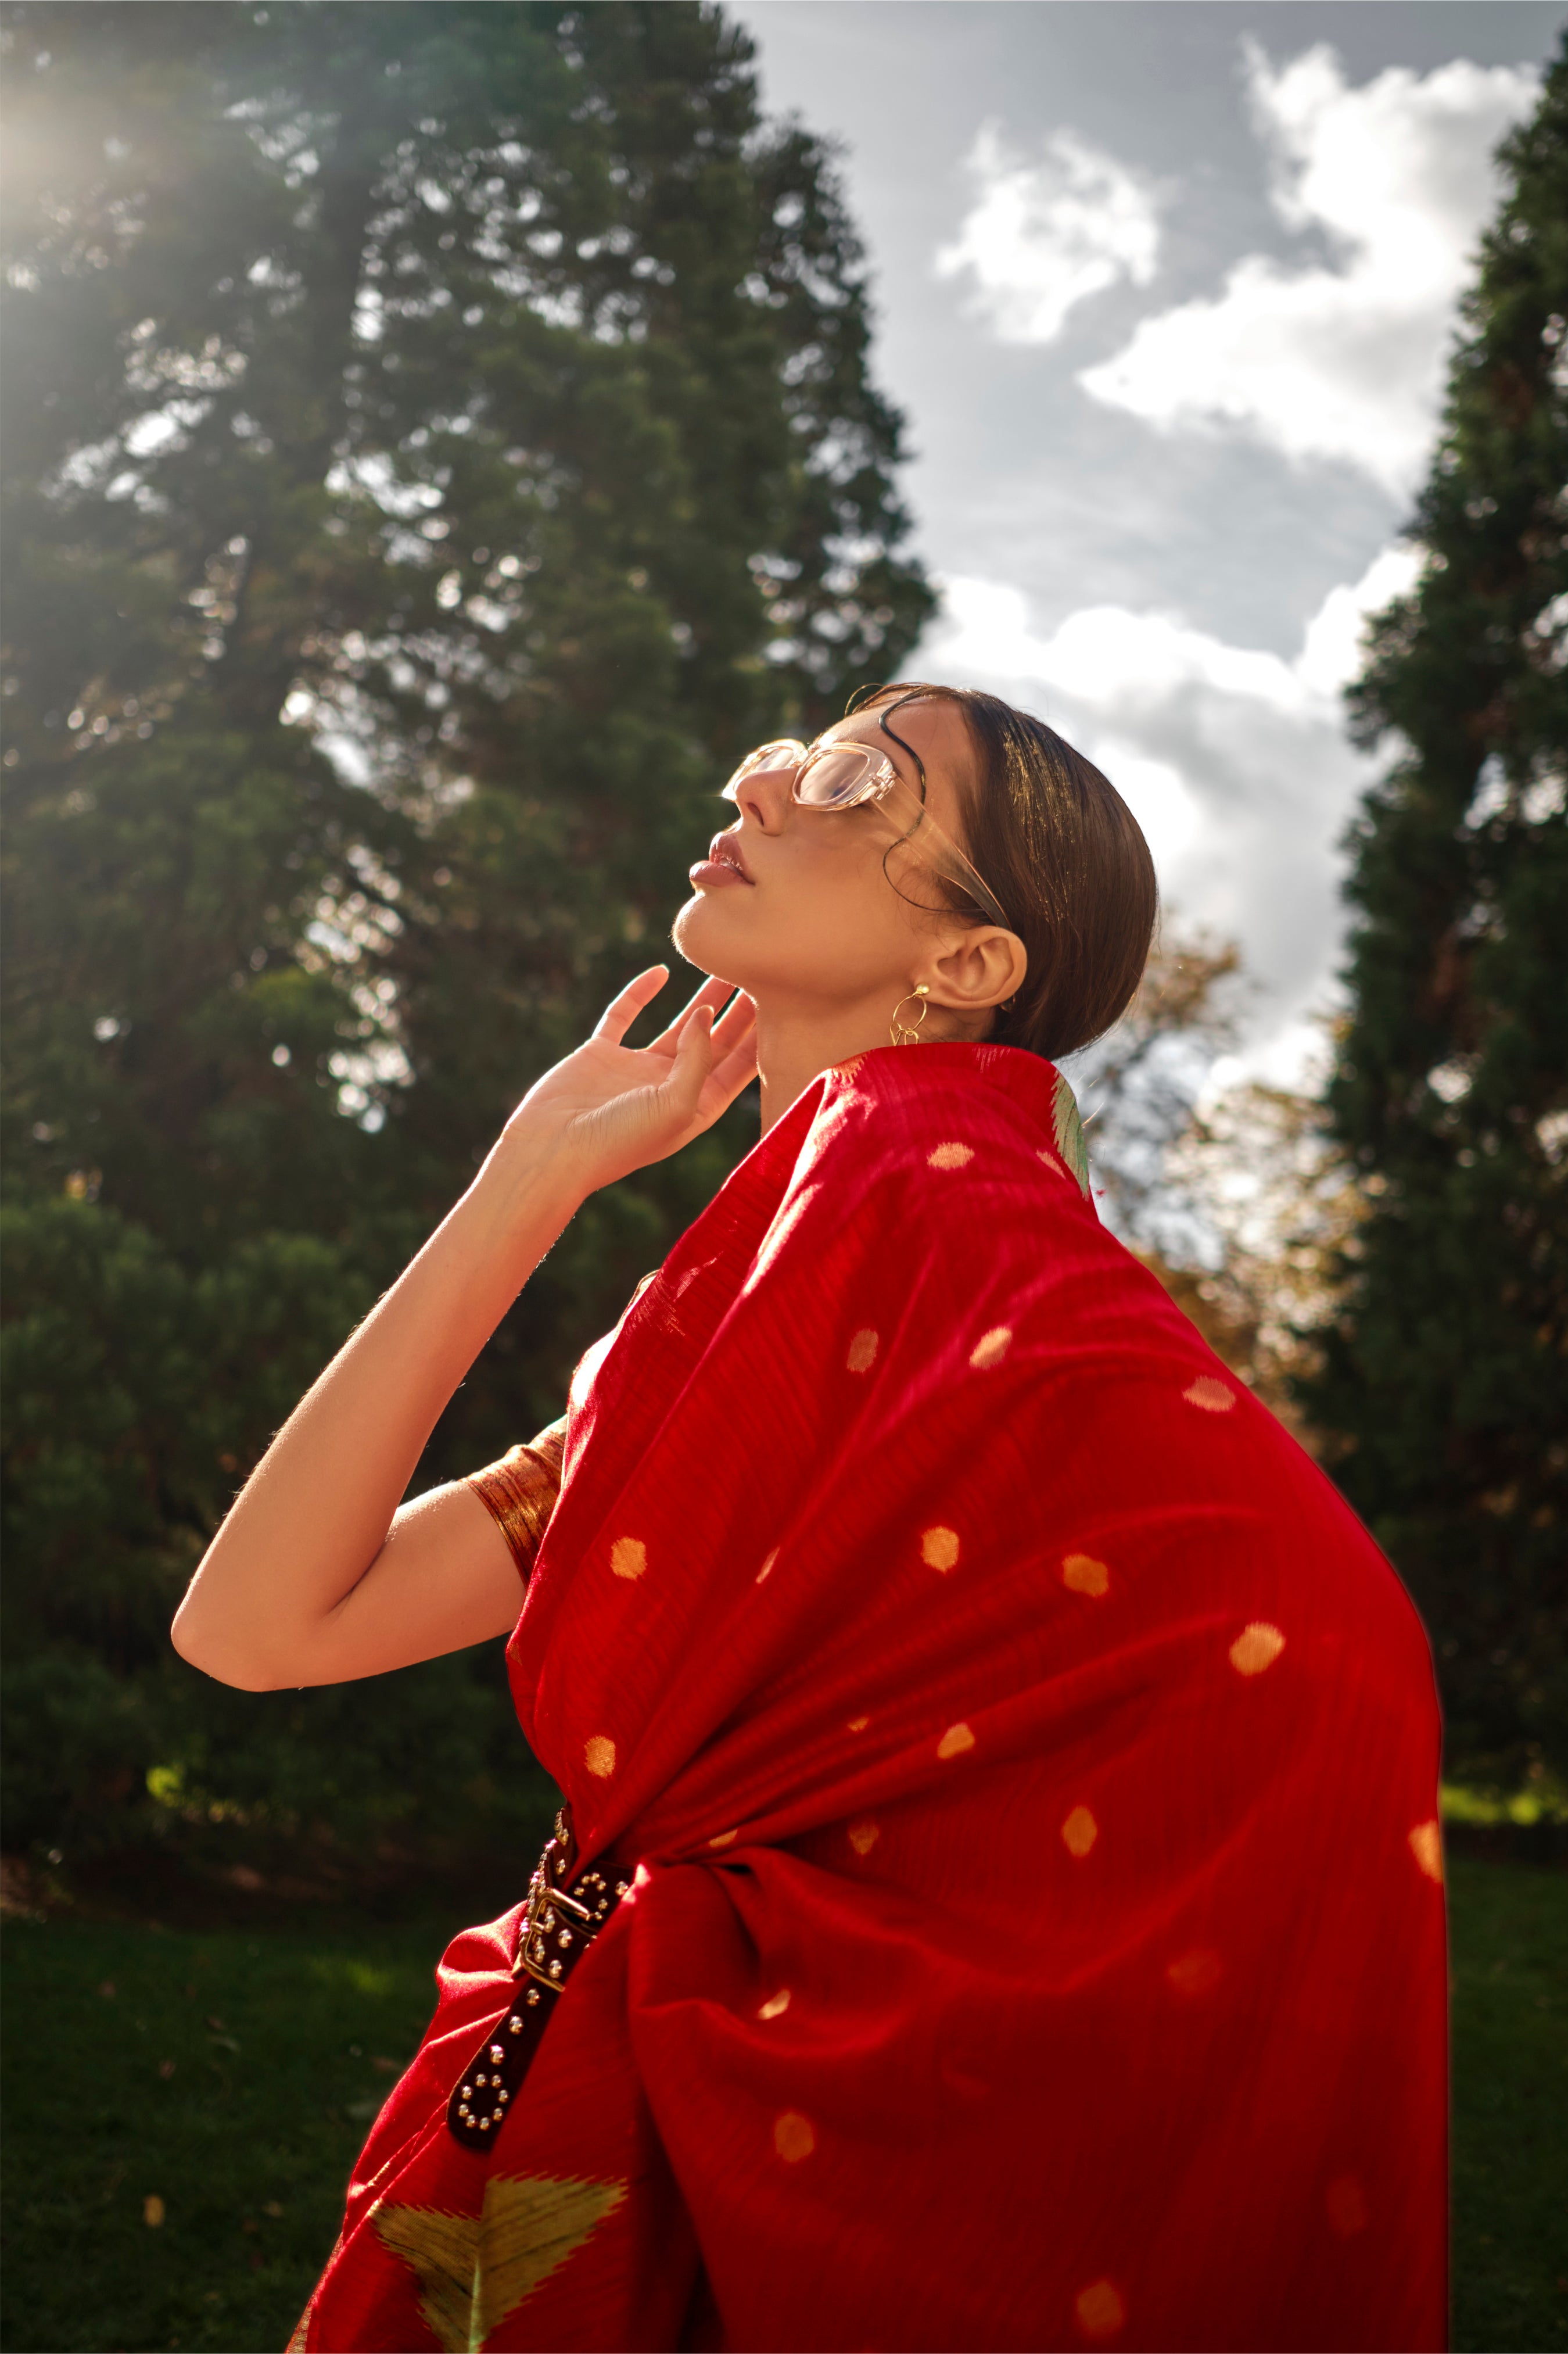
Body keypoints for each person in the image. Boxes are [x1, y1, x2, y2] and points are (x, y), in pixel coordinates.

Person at [173, 685, 1447, 2354]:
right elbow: (259, 1624)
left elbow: (1314, 1630)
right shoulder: (738, 1338)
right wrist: (525, 1180)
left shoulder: (953, 1225)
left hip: (811, 2122)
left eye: (859, 780)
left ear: (971, 965)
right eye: (783, 750)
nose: (765, 782)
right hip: (618, 2091)